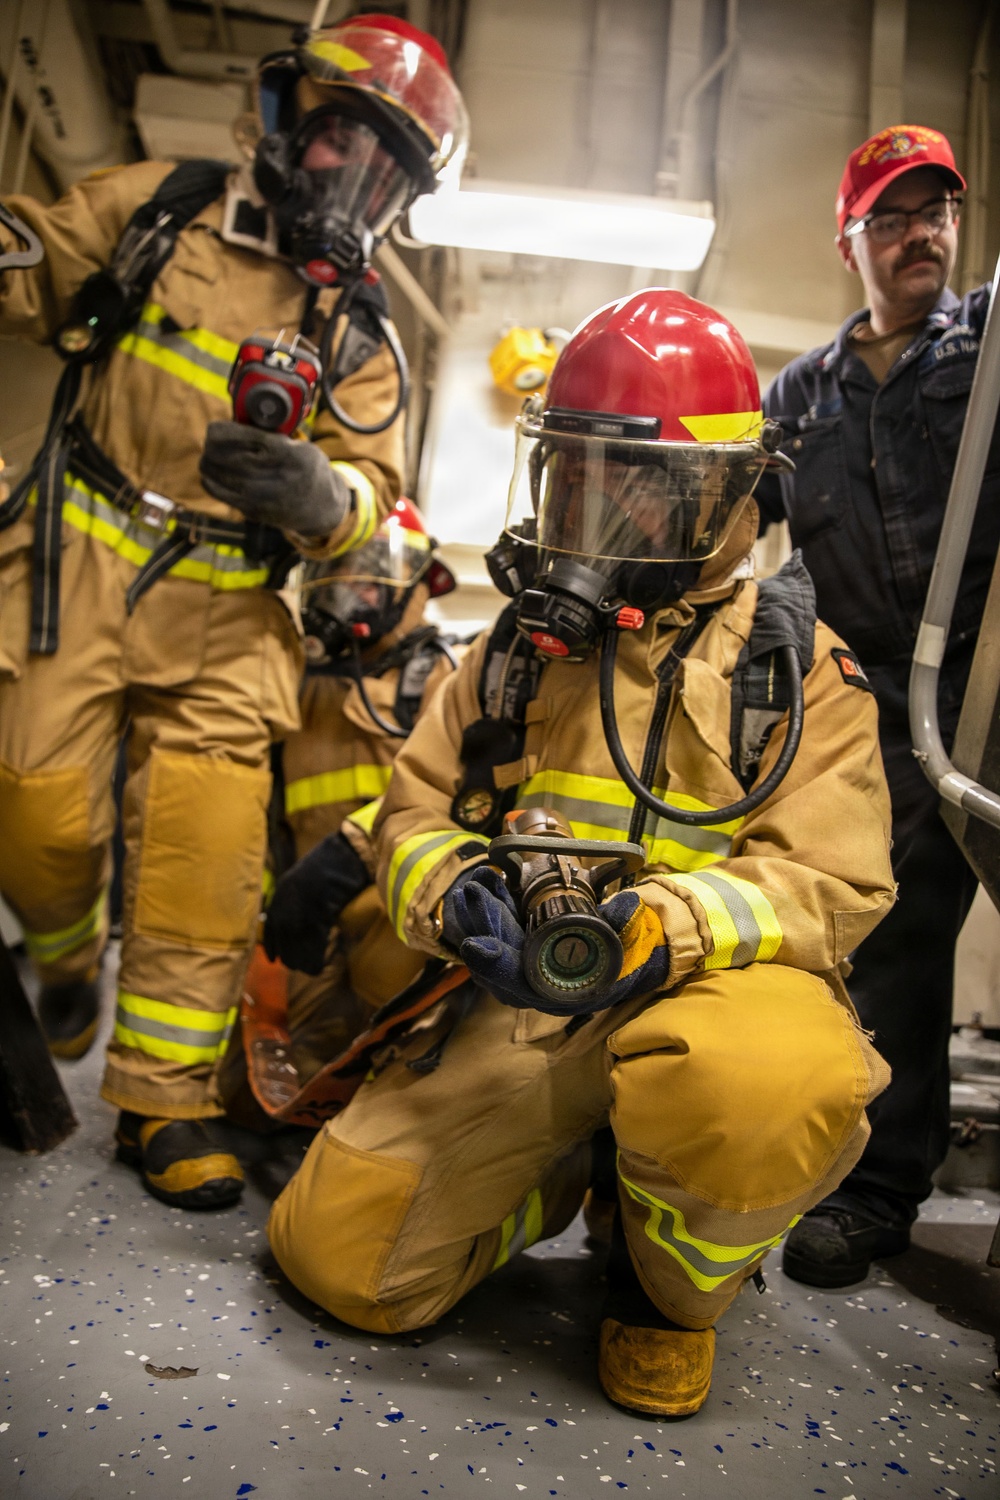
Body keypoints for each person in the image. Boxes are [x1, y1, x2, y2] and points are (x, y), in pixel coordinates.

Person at [267, 288, 895, 1419]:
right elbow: (412, 814)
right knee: (342, 1263)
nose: (595, 514)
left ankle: (662, 1287)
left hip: (712, 1004)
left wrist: (669, 928)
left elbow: (833, 883)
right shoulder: (511, 653)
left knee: (763, 1087)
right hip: (526, 1005)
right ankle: (570, 1161)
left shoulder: (797, 673)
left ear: (728, 500)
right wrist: (456, 893)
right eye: (574, 476)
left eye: (638, 493)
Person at [0, 14, 467, 1208]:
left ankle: (161, 1105)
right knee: (37, 812)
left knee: (203, 857)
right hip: (80, 561)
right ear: (283, 119)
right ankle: (63, 953)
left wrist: (328, 494)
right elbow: (35, 260)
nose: (346, 182)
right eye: (337, 144)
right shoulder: (161, 209)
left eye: (382, 172)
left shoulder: (359, 332)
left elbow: (388, 510)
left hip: (237, 606)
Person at [756, 124, 999, 1288]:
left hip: (991, 681)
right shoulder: (799, 396)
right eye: (894, 217)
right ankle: (876, 1192)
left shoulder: (992, 346)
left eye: (937, 212)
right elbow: (731, 533)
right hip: (875, 701)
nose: (922, 235)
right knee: (893, 941)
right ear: (846, 239)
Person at [226, 498, 459, 1110]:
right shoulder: (298, 677)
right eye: (341, 570)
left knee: (391, 1045)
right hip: (304, 900)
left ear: (419, 585)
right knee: (254, 1092)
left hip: (390, 905)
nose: (351, 588)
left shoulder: (441, 683)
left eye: (372, 571)